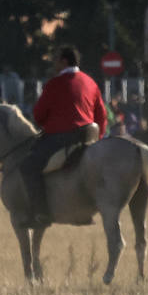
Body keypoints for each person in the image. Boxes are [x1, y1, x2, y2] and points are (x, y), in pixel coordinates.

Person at [22, 48, 107, 227]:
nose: (53, 64)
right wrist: (98, 138)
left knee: (28, 167)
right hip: (89, 136)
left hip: (62, 138)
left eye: (55, 61)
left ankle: (41, 214)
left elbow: (38, 115)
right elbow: (101, 115)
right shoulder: (91, 82)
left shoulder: (54, 83)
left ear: (64, 62)